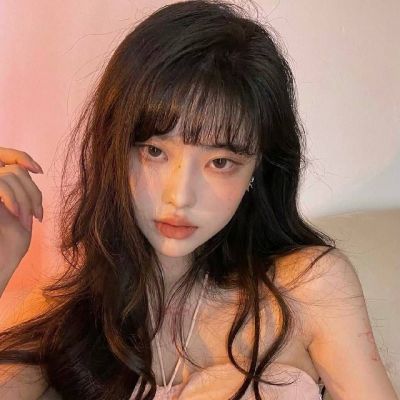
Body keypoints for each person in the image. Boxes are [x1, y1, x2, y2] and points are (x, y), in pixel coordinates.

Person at [0, 0, 398, 399]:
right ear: (114, 149)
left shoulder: (309, 288)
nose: (180, 196)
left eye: (220, 162)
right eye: (154, 151)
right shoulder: (69, 320)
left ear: (257, 168)